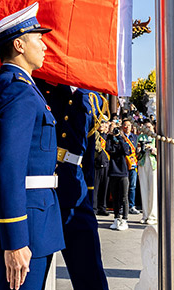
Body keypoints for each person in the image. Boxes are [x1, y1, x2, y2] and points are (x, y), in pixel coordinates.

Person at [0, 2, 64, 290]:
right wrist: (15, 240)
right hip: (26, 222)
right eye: (38, 38)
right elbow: (8, 168)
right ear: (19, 45)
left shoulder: (11, 85)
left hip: (29, 216)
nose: (45, 46)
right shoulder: (18, 91)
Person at [36, 81, 110, 290]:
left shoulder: (90, 96)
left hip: (76, 192)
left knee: (91, 274)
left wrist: (89, 193)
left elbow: (87, 153)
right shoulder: (39, 85)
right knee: (33, 275)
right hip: (44, 189)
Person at [105, 122, 131, 230]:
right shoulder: (109, 139)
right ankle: (116, 218)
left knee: (124, 197)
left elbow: (126, 151)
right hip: (113, 172)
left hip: (123, 172)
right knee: (115, 197)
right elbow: (110, 149)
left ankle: (124, 220)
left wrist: (120, 137)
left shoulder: (123, 139)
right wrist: (111, 136)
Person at [137, 119, 159, 223]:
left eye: (149, 127)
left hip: (153, 163)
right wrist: (139, 149)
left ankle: (153, 215)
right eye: (145, 127)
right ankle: (145, 215)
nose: (148, 129)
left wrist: (152, 149)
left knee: (153, 189)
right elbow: (136, 150)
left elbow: (161, 152)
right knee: (144, 188)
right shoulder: (140, 137)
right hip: (142, 162)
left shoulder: (156, 138)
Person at [91, 121, 110, 216]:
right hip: (96, 164)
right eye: (100, 123)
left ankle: (102, 207)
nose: (101, 125)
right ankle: (94, 208)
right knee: (95, 187)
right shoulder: (94, 134)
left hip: (106, 164)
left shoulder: (108, 136)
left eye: (103, 124)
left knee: (104, 187)